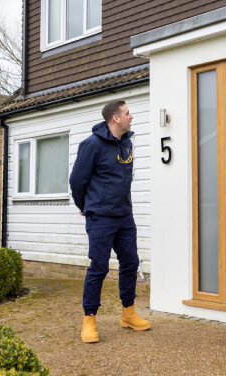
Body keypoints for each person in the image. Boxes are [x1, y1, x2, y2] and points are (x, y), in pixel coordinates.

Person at [69, 100, 151, 343]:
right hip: (101, 217)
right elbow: (77, 182)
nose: (131, 117)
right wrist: (86, 207)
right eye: (127, 113)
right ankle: (89, 320)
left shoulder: (126, 143)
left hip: (124, 216)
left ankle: (128, 313)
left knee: (130, 262)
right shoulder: (91, 145)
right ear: (115, 118)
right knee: (99, 267)